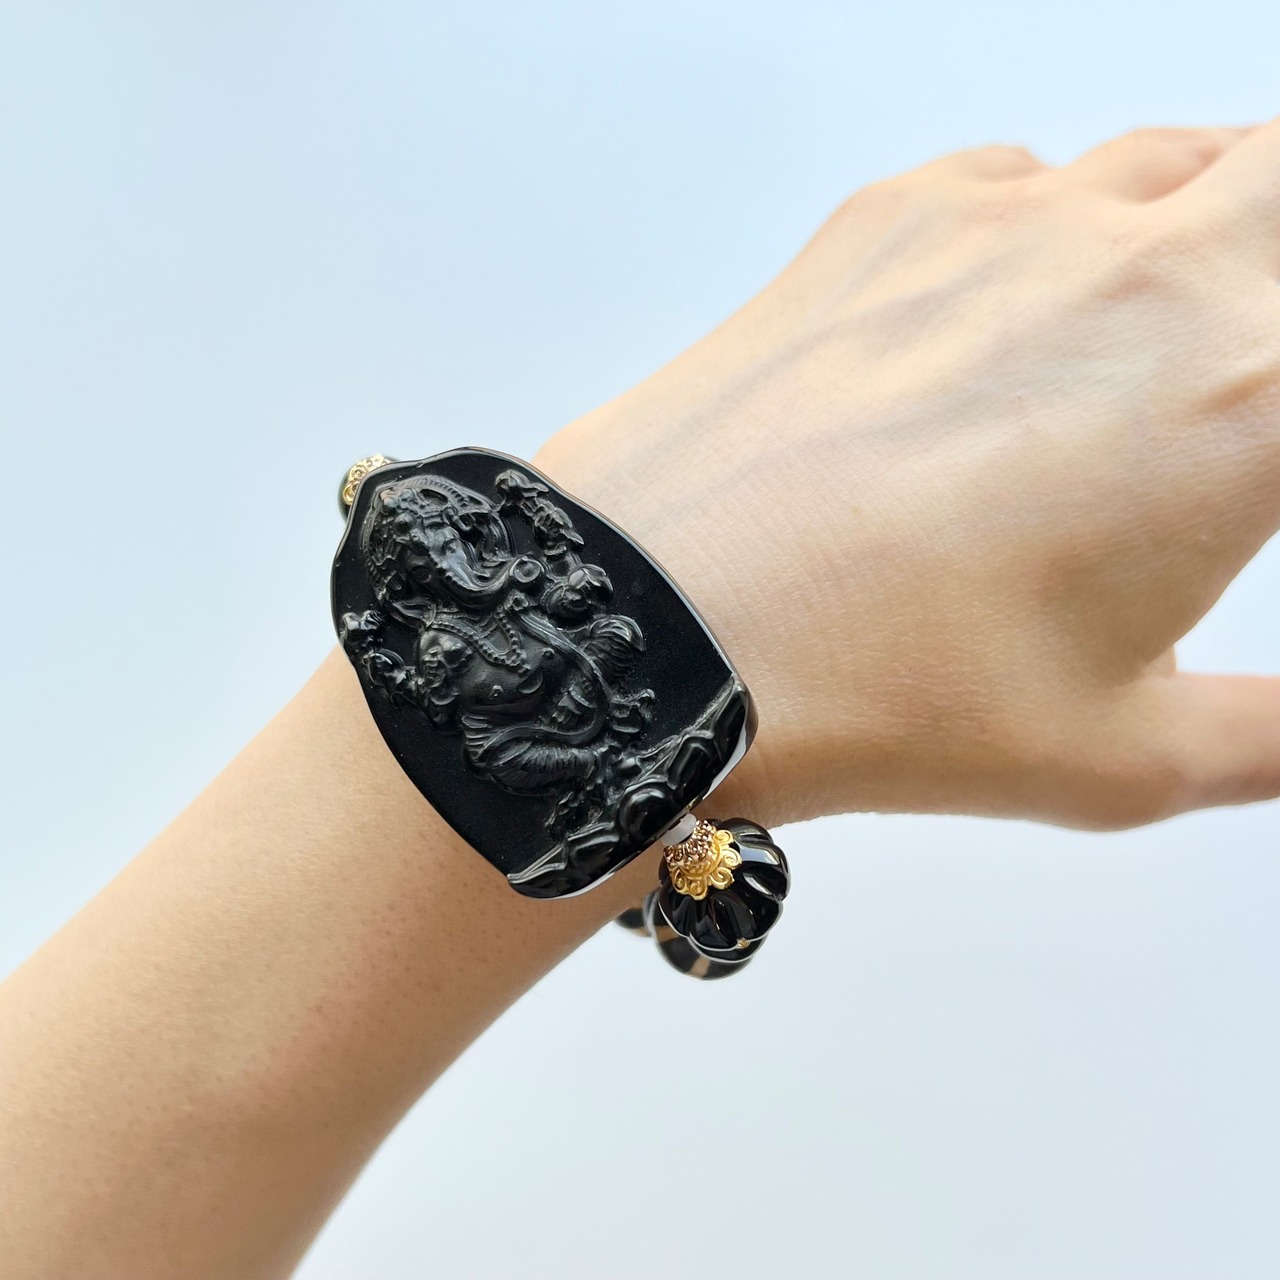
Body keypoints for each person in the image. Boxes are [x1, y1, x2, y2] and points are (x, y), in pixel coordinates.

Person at [3, 120, 1280, 1279]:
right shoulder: (451, 644)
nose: (448, 553)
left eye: (456, 540)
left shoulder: (507, 597)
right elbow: (489, 711)